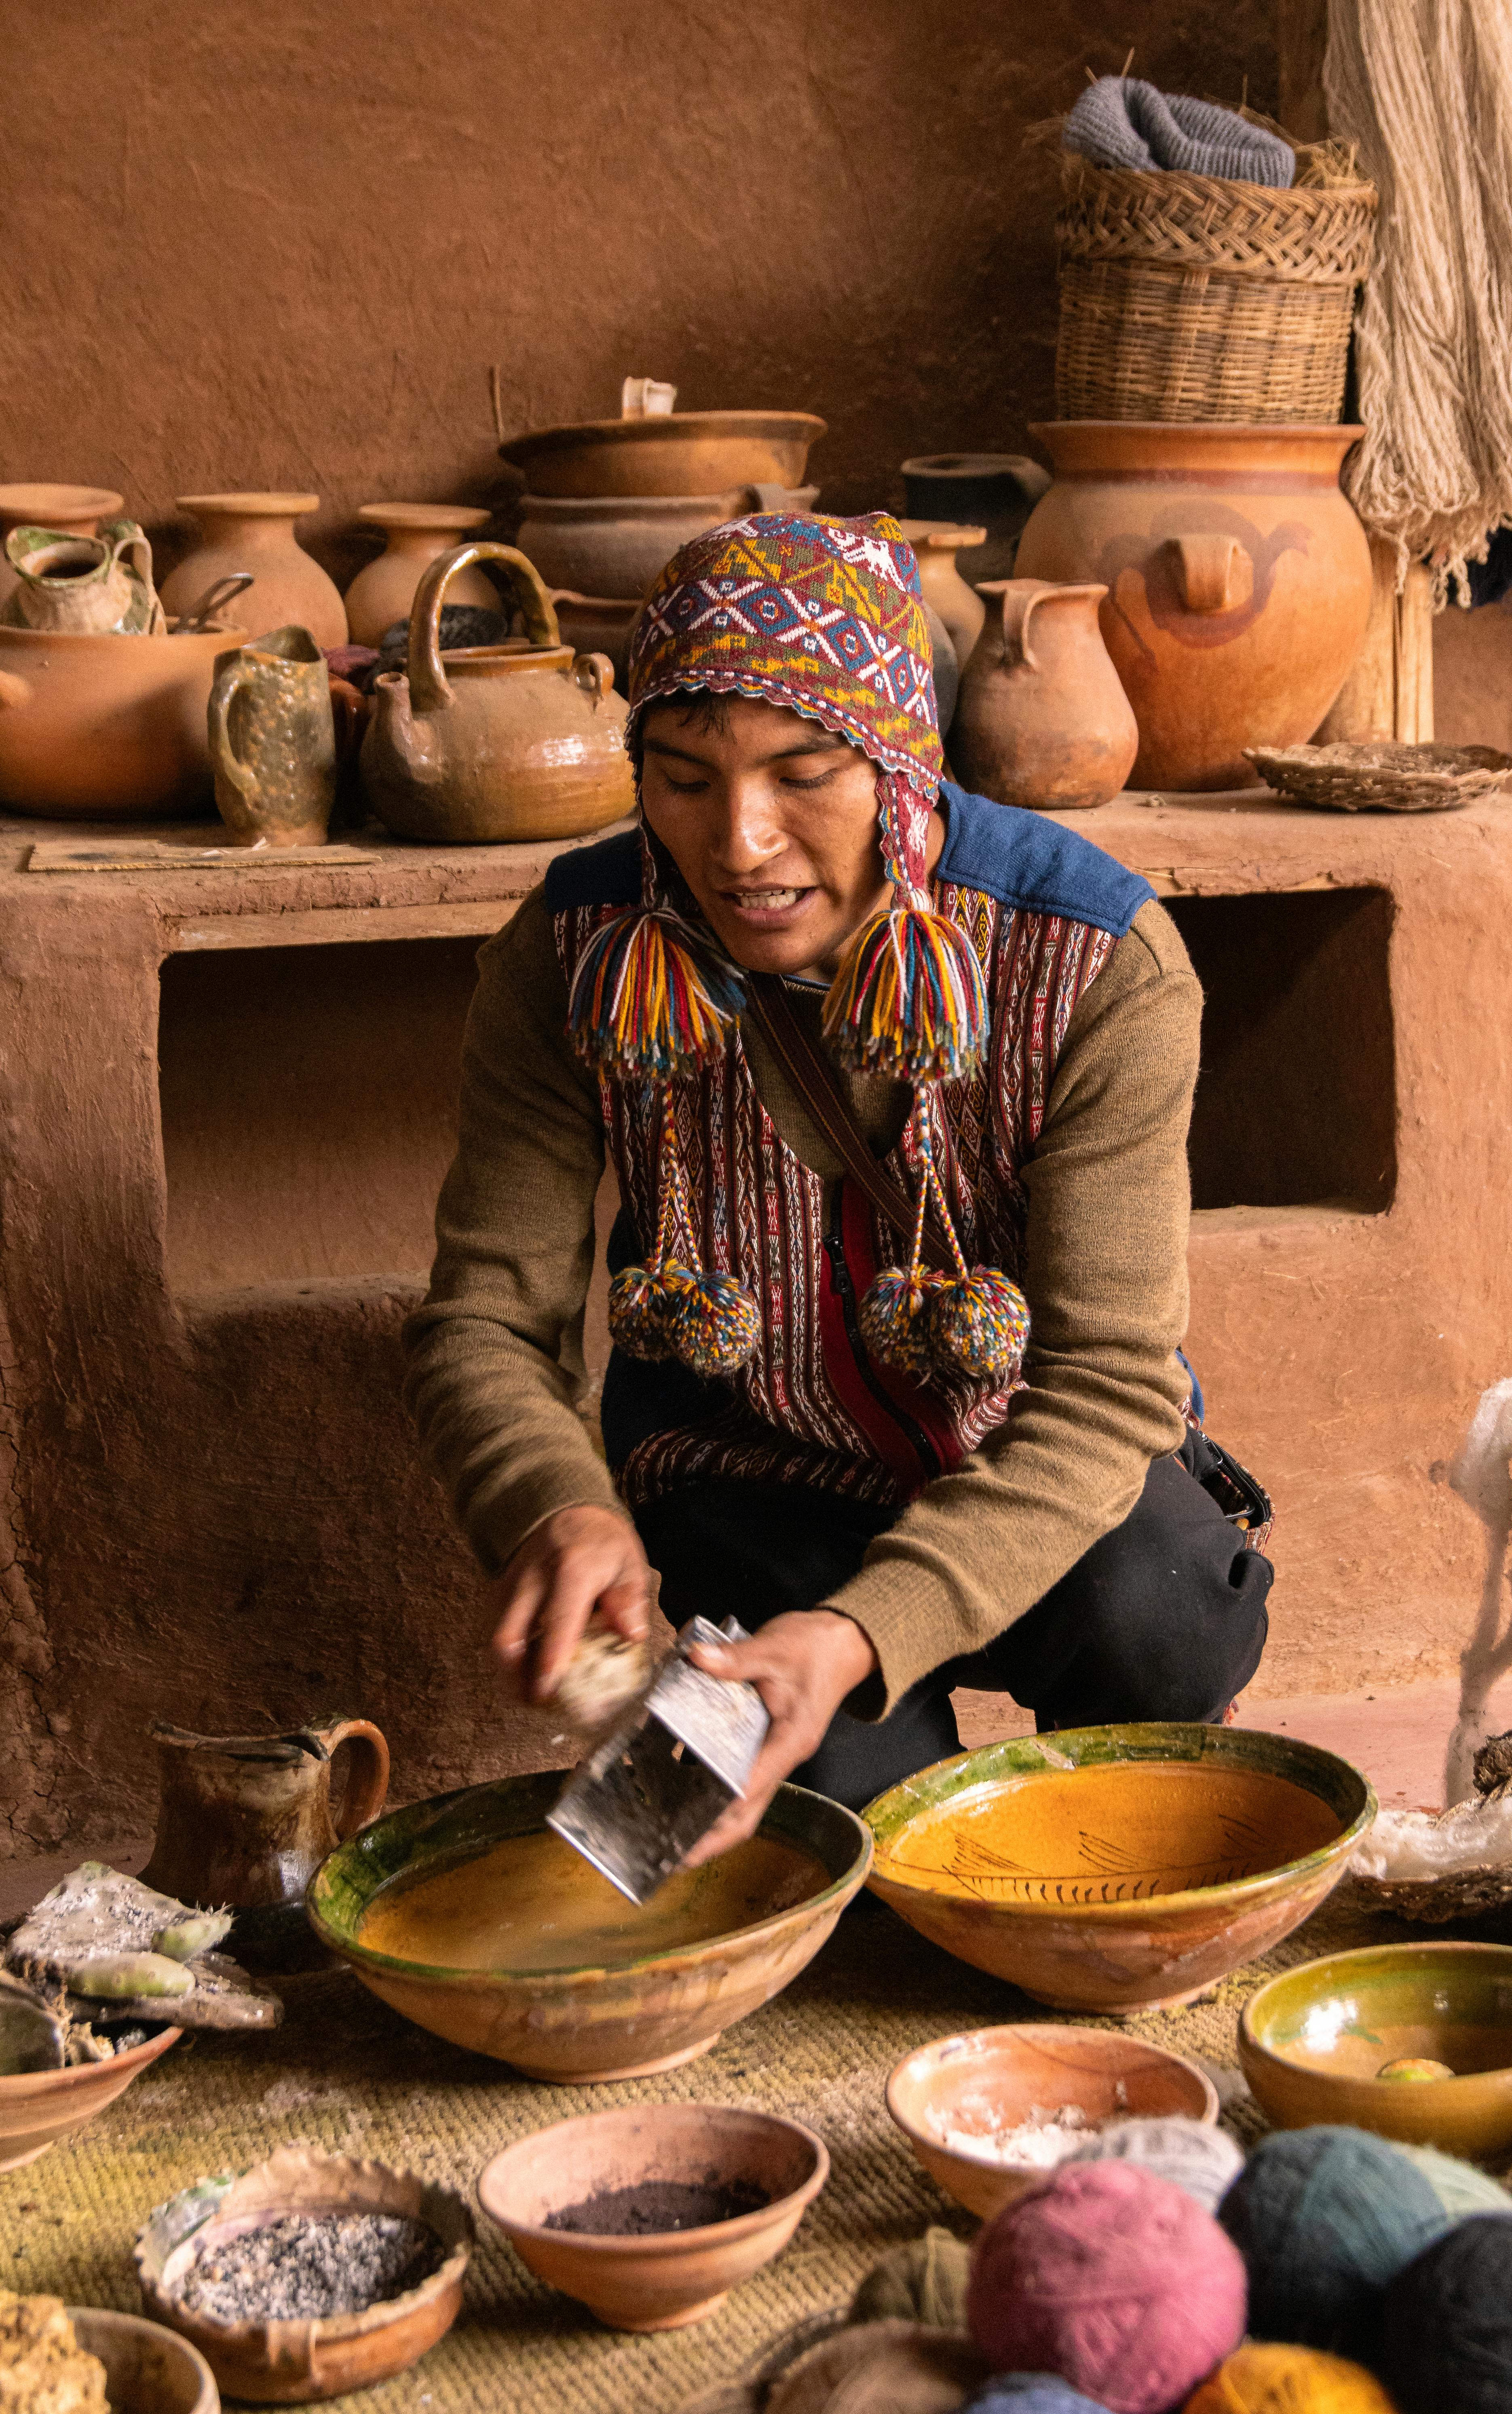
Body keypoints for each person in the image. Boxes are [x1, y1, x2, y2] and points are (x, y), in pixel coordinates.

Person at [403, 509, 1270, 1871]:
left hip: (1034, 1465)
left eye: (805, 772)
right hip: (750, 1479)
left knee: (1159, 1618)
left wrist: (865, 1630)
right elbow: (482, 1325)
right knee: (834, 1844)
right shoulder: (569, 955)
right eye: (682, 779)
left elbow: (1105, 1390)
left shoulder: (1094, 962)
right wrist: (557, 1506)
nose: (741, 842)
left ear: (898, 762)